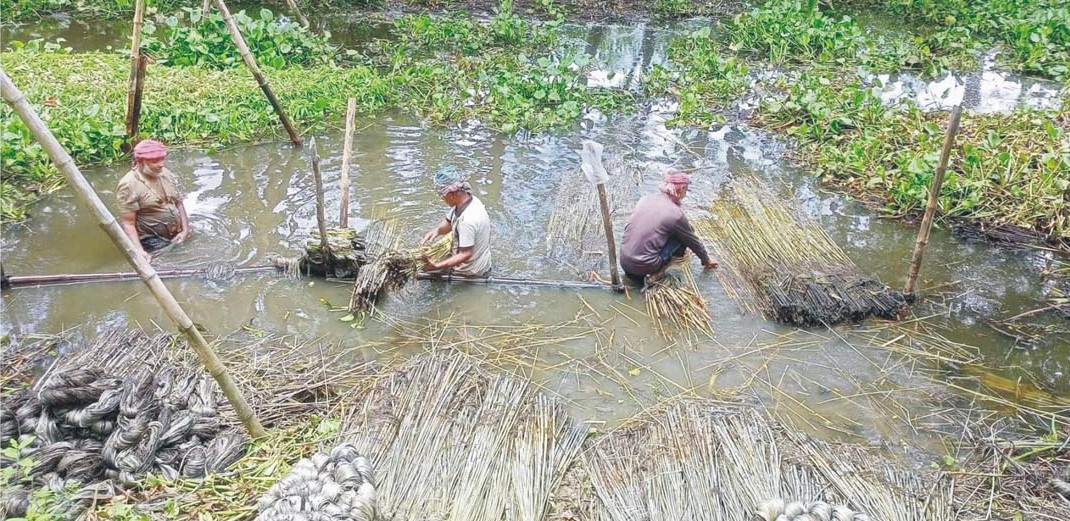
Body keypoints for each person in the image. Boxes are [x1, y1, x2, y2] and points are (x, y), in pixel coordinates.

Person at [620, 171, 717, 285]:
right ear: (681, 189)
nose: (686, 194)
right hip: (645, 268)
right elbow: (693, 241)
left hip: (624, 263)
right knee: (682, 238)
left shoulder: (645, 199)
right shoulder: (676, 214)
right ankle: (659, 273)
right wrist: (706, 261)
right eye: (686, 190)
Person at [116, 140, 191, 264]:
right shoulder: (128, 185)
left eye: (162, 159)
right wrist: (139, 251)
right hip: (151, 240)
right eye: (155, 161)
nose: (161, 164)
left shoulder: (165, 174)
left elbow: (179, 203)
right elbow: (128, 224)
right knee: (178, 261)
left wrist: (185, 230)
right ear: (140, 162)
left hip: (176, 233)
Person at [420, 166, 492, 277]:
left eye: (442, 196)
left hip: (471, 272)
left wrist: (437, 266)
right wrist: (436, 231)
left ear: (452, 194)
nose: (442, 199)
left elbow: (465, 254)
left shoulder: (467, 221)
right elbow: (449, 222)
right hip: (480, 260)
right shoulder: (467, 200)